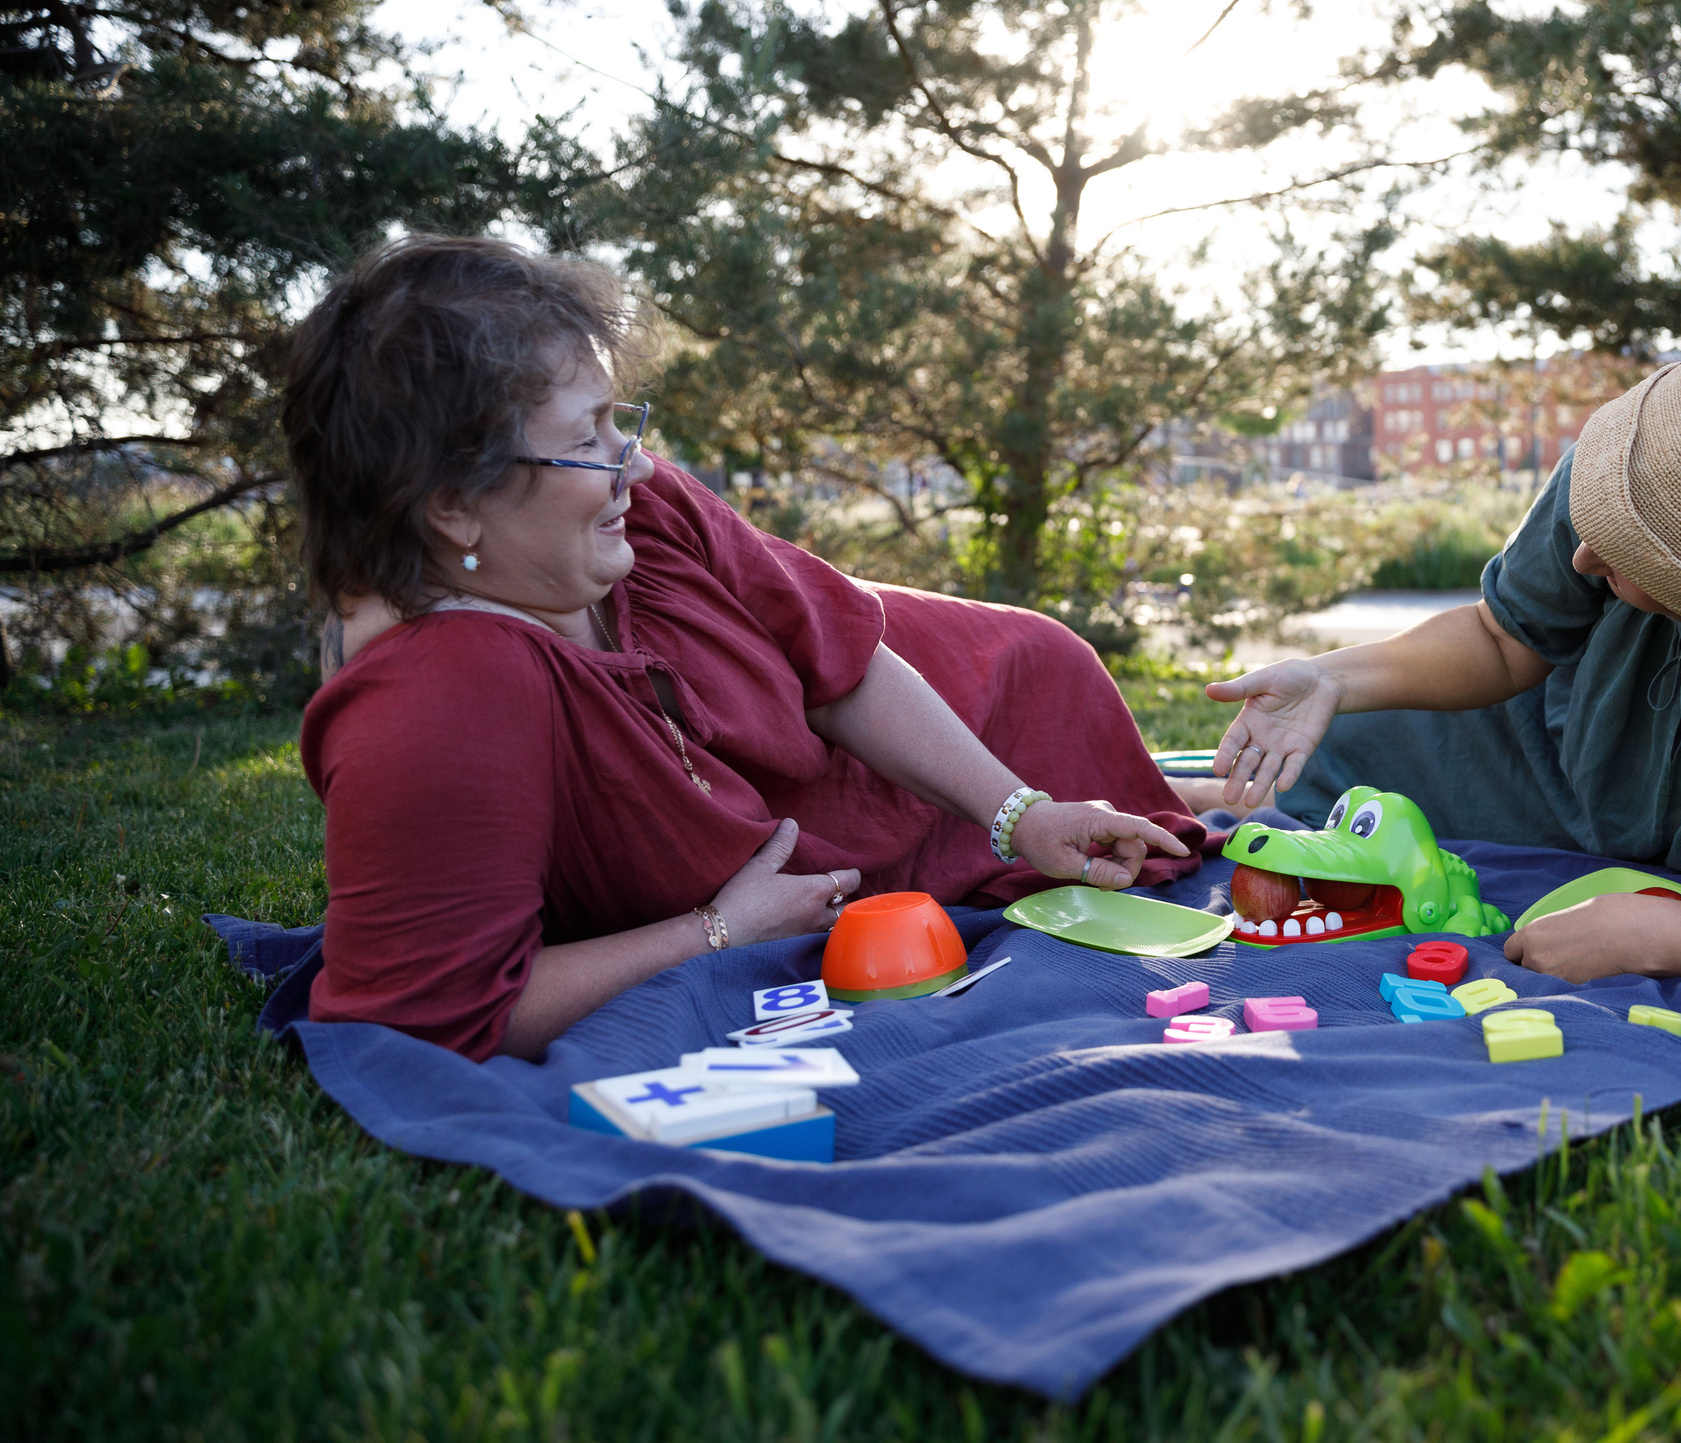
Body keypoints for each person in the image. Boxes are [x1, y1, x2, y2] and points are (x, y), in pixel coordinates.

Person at [285, 236, 1197, 1061]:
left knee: (1064, 681)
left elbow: (840, 657)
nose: (634, 465)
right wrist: (714, 932)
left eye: (618, 421)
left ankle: (1180, 781)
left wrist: (1021, 814)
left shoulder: (639, 515)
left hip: (967, 707)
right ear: (451, 503)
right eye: (585, 440)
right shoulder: (437, 702)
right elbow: (427, 1018)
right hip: (860, 845)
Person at [1182, 332, 1681, 982]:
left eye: (1633, 557)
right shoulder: (1644, 459)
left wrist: (1667, 934)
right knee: (1327, 763)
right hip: (1552, 747)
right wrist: (1331, 677)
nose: (1586, 557)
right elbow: (1502, 636)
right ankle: (1155, 790)